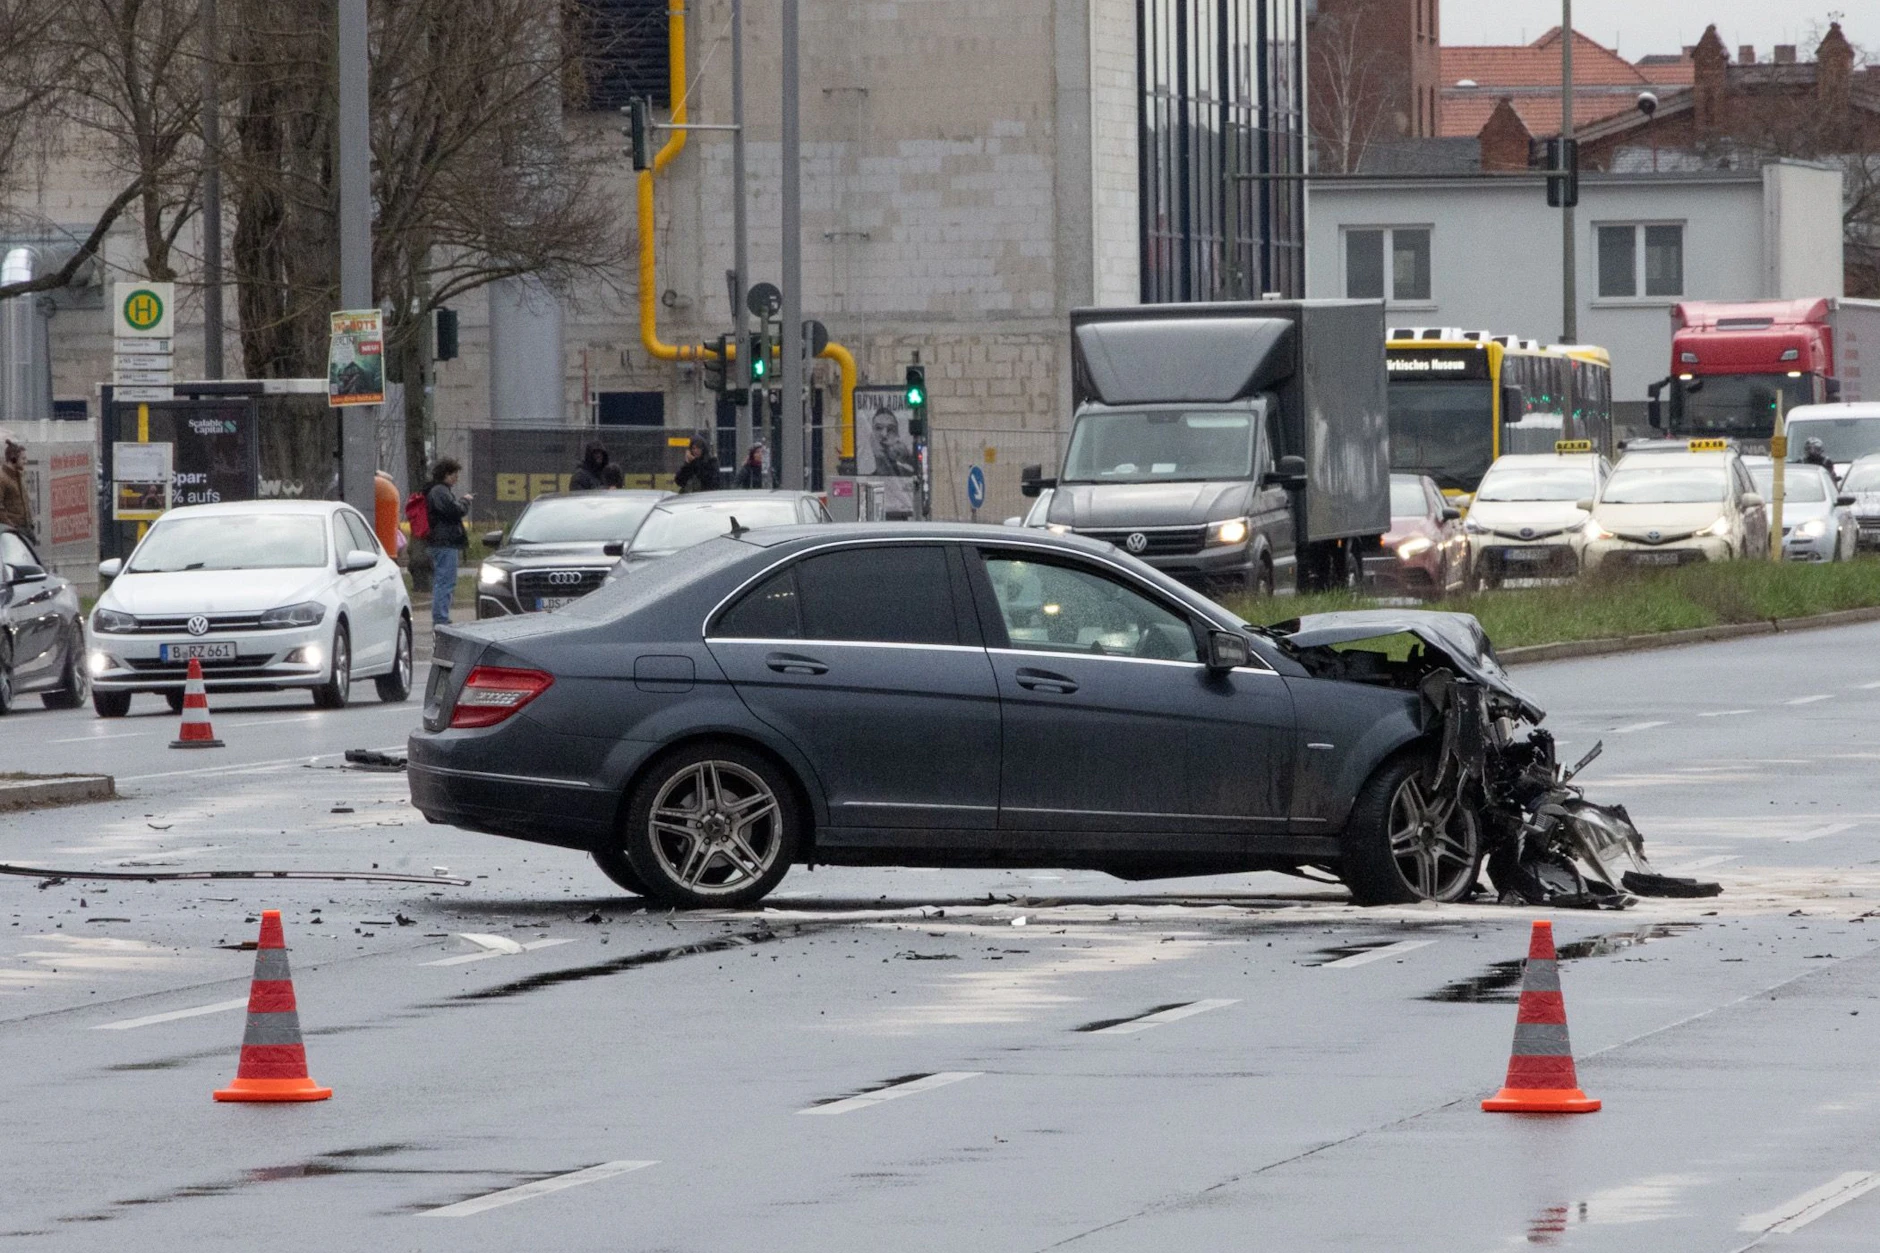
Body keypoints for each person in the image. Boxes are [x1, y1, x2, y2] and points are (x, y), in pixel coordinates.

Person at [424, 459, 472, 625]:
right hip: (444, 542)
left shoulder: (437, 490)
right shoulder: (440, 491)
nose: (456, 478)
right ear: (446, 474)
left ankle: (441, 616)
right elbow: (454, 511)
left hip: (440, 541)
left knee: (443, 580)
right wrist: (465, 501)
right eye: (454, 474)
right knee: (445, 581)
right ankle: (441, 618)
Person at [864, 407, 918, 476]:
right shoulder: (864, 479)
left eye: (891, 429)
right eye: (878, 428)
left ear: (897, 436)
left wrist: (908, 459)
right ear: (871, 438)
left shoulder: (910, 477)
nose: (884, 434)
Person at [0, 439, 31, 539]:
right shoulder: (2, 478)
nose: (25, 462)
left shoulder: (18, 476)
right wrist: (12, 528)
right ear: (13, 459)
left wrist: (30, 524)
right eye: (23, 459)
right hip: (13, 532)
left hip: (24, 529)